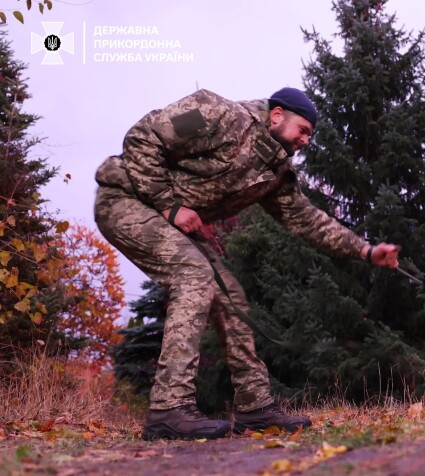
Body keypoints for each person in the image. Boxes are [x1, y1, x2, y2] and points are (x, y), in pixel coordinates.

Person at [94, 87, 400, 441]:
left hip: (167, 218)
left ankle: (255, 408)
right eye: (302, 130)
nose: (305, 140)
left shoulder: (275, 173)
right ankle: (169, 409)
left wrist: (366, 251)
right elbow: (144, 136)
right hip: (126, 200)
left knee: (231, 298)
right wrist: (168, 204)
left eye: (309, 136)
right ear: (277, 115)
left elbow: (307, 219)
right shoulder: (216, 113)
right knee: (194, 276)